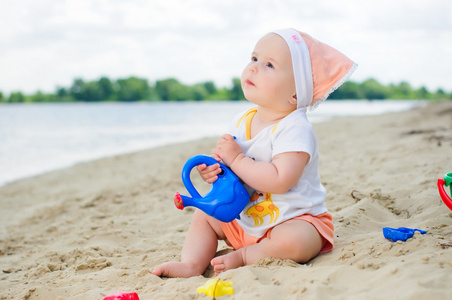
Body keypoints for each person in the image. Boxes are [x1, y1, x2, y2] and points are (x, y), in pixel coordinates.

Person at [152, 28, 357, 278]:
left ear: (296, 93)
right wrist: (217, 171)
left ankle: (246, 255)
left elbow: (280, 180)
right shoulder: (242, 120)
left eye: (269, 65)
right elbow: (232, 170)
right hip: (246, 220)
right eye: (254, 58)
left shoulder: (295, 128)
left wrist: (237, 159)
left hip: (292, 220)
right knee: (204, 217)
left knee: (297, 240)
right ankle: (192, 264)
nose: (254, 67)